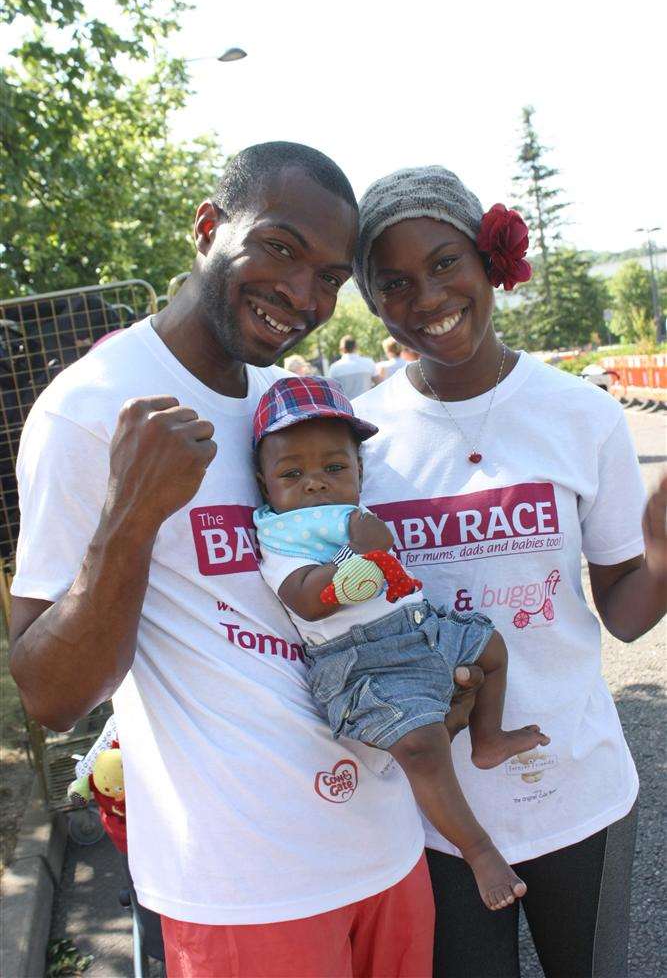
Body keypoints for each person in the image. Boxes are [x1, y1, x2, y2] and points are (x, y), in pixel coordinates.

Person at [8, 142, 477, 978]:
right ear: (207, 228)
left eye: (330, 276)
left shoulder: (288, 409)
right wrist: (130, 519)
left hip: (385, 846)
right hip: (244, 890)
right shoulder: (88, 409)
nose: (302, 295)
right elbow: (49, 694)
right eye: (280, 247)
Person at [352, 165, 667, 977]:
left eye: (444, 262)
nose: (425, 298)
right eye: (393, 282)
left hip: (577, 790)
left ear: (488, 260)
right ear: (372, 300)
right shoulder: (357, 442)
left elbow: (626, 612)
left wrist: (663, 554)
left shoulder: (581, 414)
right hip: (433, 819)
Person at [252, 374, 549, 910]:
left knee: (492, 648)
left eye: (334, 468)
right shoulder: (279, 535)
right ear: (263, 480)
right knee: (422, 745)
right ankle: (480, 851)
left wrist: (367, 547)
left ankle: (489, 739)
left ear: (359, 470)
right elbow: (303, 597)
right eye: (292, 473)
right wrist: (354, 558)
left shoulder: (352, 514)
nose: (314, 483)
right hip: (361, 662)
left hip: (418, 627)